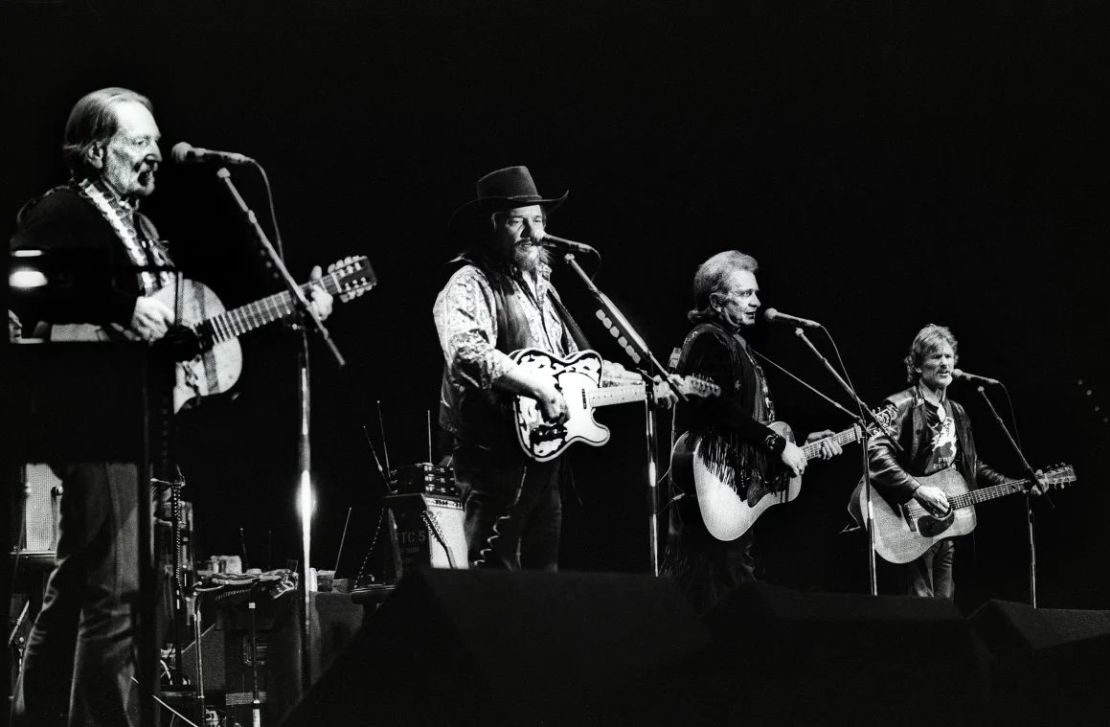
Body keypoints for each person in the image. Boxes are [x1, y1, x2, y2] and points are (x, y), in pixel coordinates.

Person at [9, 87, 332, 726]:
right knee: (118, 592)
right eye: (139, 142)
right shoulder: (64, 211)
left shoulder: (140, 228)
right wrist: (120, 306)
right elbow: (25, 278)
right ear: (98, 150)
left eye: (156, 141)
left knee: (80, 585)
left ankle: (36, 714)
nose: (154, 153)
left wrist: (293, 306)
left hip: (132, 422)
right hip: (89, 420)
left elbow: (167, 329)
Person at [434, 165, 671, 571]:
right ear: (491, 227)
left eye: (539, 220)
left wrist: (646, 382)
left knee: (544, 585)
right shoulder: (469, 282)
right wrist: (539, 389)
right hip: (492, 465)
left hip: (545, 463)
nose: (533, 232)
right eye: (517, 221)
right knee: (492, 584)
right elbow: (466, 352)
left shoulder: (545, 288)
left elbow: (576, 366)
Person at [661, 250, 840, 614]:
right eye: (745, 294)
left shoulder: (735, 343)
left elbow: (748, 420)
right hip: (717, 486)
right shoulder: (709, 339)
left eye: (755, 293)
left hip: (735, 490)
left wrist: (801, 446)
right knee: (719, 596)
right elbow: (715, 406)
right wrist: (777, 445)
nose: (757, 302)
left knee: (728, 591)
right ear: (716, 300)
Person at [863, 323, 1022, 599]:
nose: (945, 362)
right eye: (936, 356)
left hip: (945, 527)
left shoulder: (957, 412)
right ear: (918, 365)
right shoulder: (901, 405)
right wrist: (917, 489)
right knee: (920, 612)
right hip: (907, 523)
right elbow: (875, 454)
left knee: (945, 611)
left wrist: (1013, 483)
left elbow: (971, 463)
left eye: (949, 356)